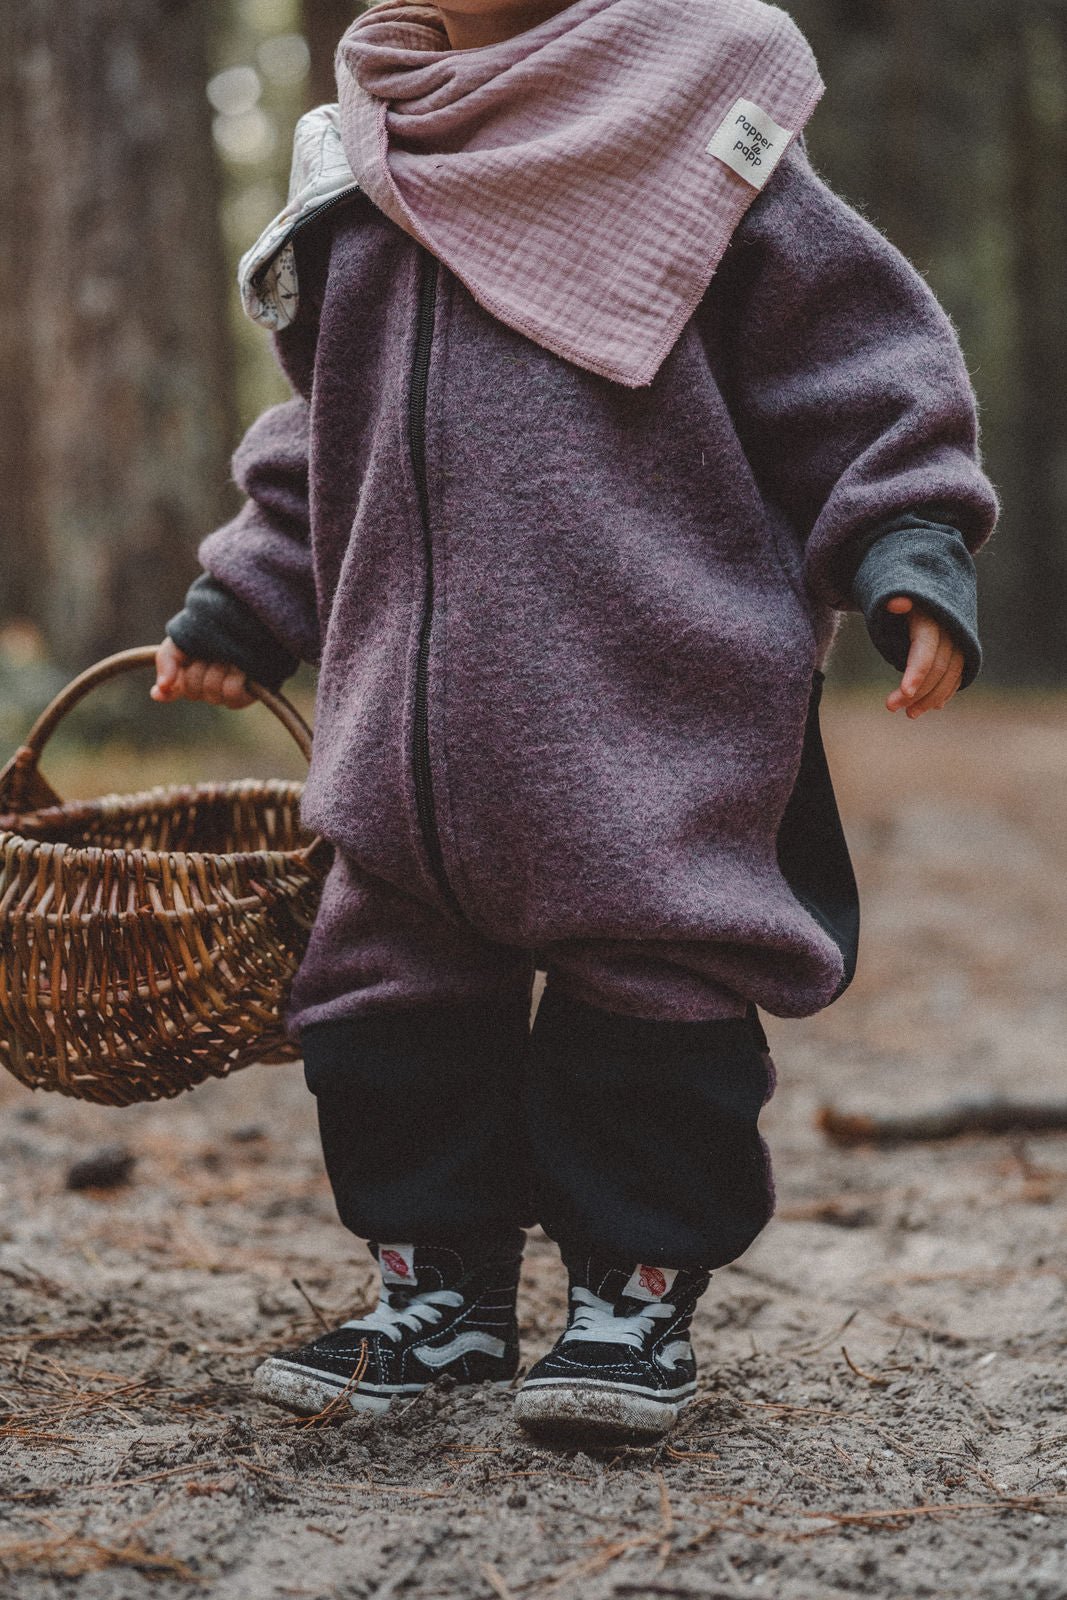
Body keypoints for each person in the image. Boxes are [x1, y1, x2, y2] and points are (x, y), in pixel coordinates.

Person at [156, 0, 997, 1445]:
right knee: (384, 1011)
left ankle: (634, 1293)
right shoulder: (362, 153)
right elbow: (326, 419)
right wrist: (247, 593)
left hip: (645, 712)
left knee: (653, 990)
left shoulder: (697, 130)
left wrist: (908, 540)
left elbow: (855, 364)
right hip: (406, 738)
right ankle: (439, 1296)